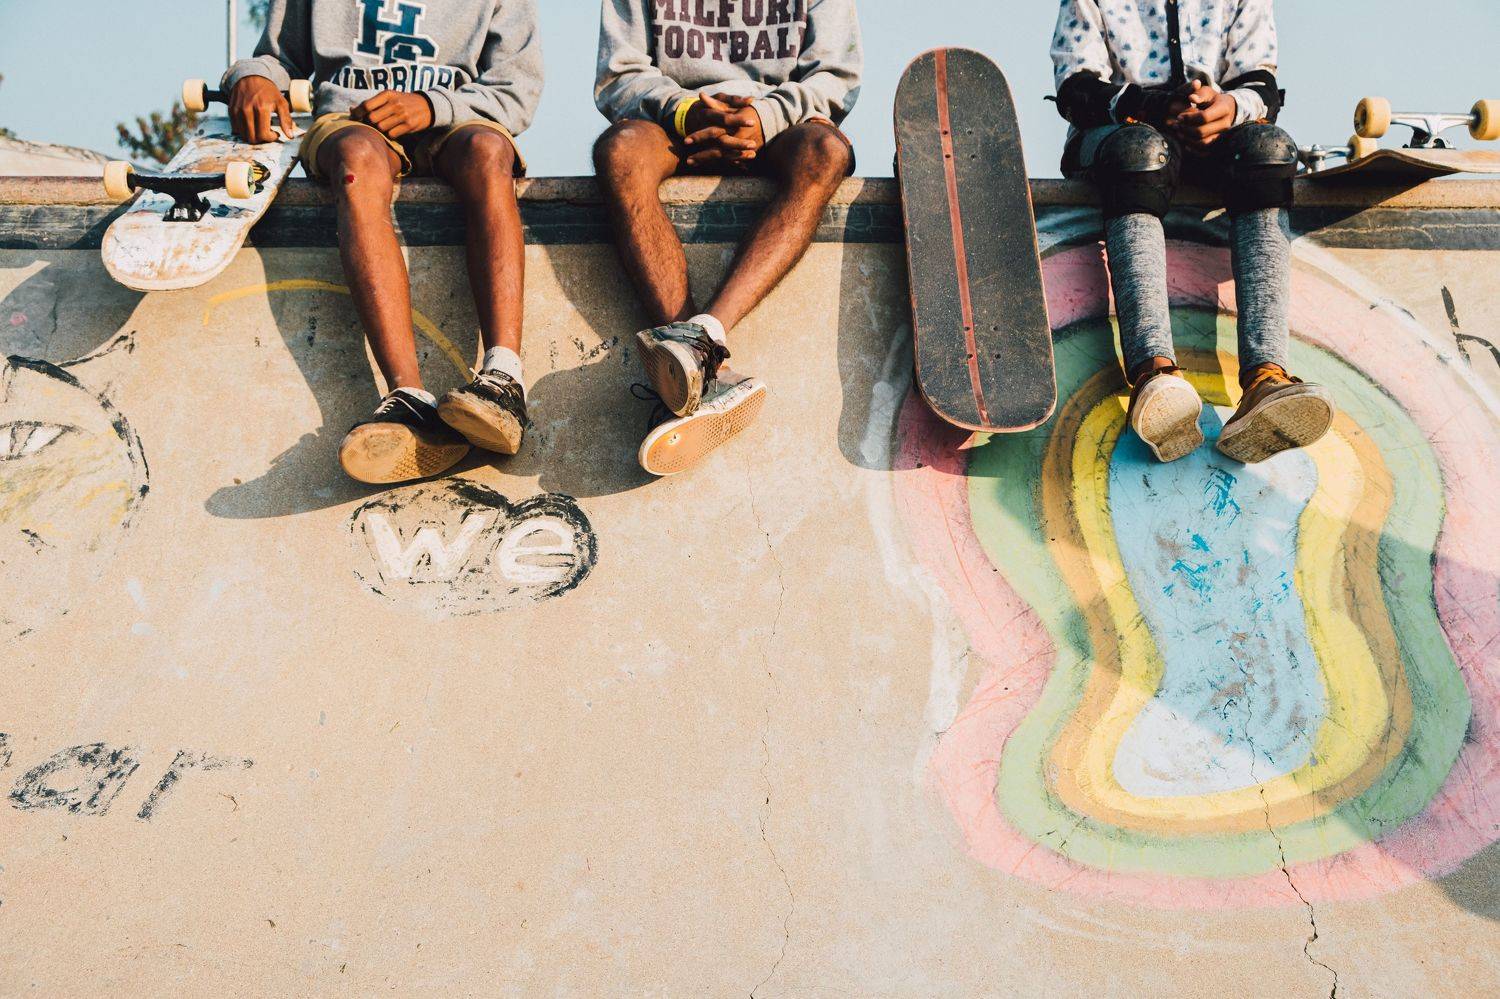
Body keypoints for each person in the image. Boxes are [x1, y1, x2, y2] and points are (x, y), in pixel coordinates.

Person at [225, 0, 543, 484]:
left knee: (489, 150)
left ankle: (503, 379)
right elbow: (278, 58)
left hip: (457, 119)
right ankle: (408, 399)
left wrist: (432, 106)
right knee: (357, 158)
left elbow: (517, 89)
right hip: (353, 123)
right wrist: (252, 76)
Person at [1052, 0, 1334, 463]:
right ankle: (1154, 372)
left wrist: (1229, 108)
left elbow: (1260, 83)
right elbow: (1075, 90)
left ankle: (1266, 377)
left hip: (1216, 135)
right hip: (1120, 135)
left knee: (1269, 149)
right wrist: (1151, 107)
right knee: (1141, 151)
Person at [593, 0, 862, 475]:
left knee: (826, 150)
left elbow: (836, 76)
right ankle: (700, 367)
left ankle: (703, 338)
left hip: (780, 124)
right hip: (674, 124)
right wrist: (686, 112)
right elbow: (619, 76)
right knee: (620, 151)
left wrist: (765, 117)